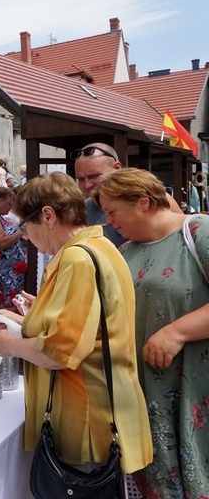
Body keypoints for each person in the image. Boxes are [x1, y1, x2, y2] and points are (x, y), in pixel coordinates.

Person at [0, 172, 152, 477]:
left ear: (48, 215)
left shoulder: (77, 259)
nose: (25, 236)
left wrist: (9, 345)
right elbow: (90, 324)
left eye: (25, 226)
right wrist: (30, 318)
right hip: (105, 406)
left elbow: (61, 352)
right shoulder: (100, 246)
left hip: (86, 416)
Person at [93, 168, 209, 498]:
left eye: (113, 211)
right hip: (147, 399)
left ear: (143, 202)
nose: (109, 221)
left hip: (197, 390)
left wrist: (176, 332)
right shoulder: (125, 253)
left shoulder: (197, 231)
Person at [72, 142, 182, 247]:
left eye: (94, 176)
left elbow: (182, 236)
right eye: (80, 179)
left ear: (117, 168)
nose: (86, 185)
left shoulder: (154, 198)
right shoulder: (81, 211)